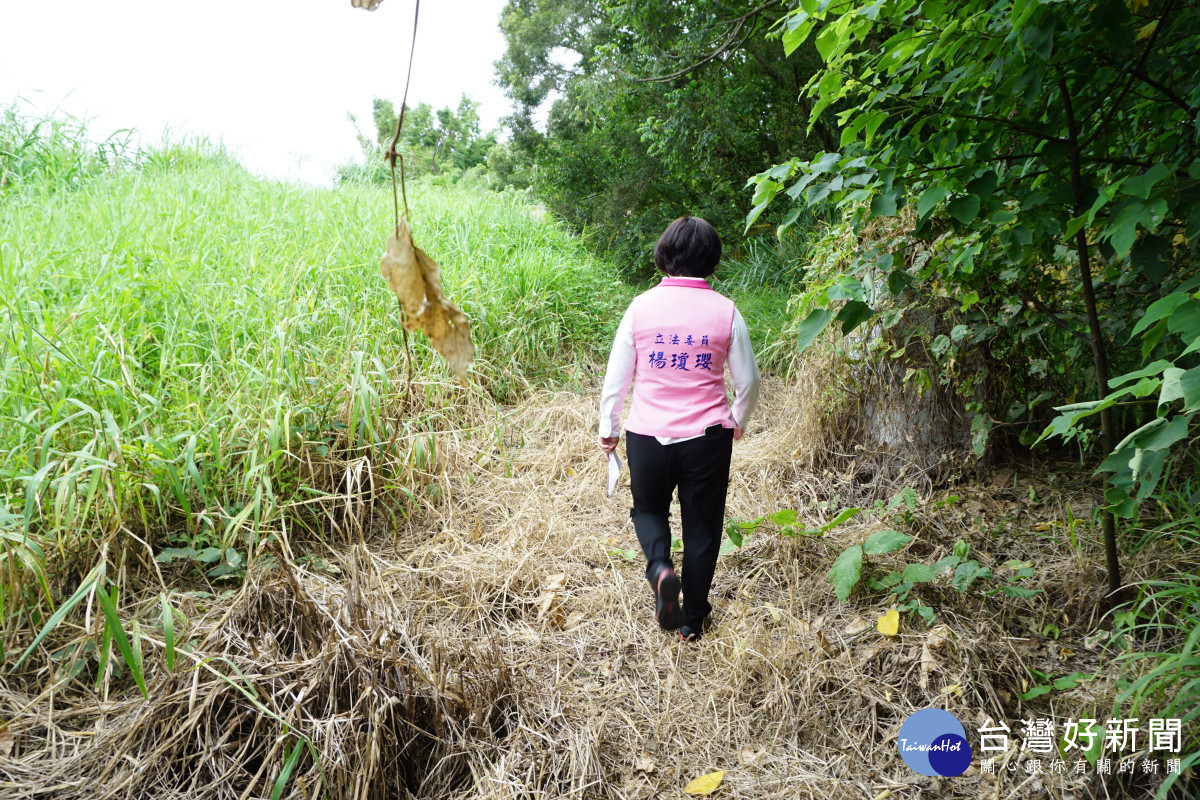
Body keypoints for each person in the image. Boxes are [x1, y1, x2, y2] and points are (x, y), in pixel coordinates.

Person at [597, 216, 760, 641]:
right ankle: (693, 619)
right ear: (711, 259)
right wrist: (737, 422)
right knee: (702, 527)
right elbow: (749, 382)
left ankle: (660, 568)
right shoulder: (726, 311)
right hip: (707, 437)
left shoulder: (640, 307)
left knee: (649, 510)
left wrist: (608, 427)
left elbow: (617, 378)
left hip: (647, 434)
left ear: (664, 255)